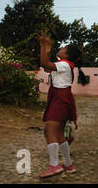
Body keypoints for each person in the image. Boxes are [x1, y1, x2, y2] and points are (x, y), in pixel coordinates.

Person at [36, 30, 88, 178]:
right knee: (58, 133)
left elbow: (44, 63)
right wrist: (46, 48)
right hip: (62, 99)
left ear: (66, 55)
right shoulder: (63, 64)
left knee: (49, 131)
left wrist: (44, 45)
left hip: (60, 99)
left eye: (64, 48)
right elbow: (46, 67)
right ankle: (68, 164)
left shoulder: (64, 65)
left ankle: (54, 166)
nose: (62, 48)